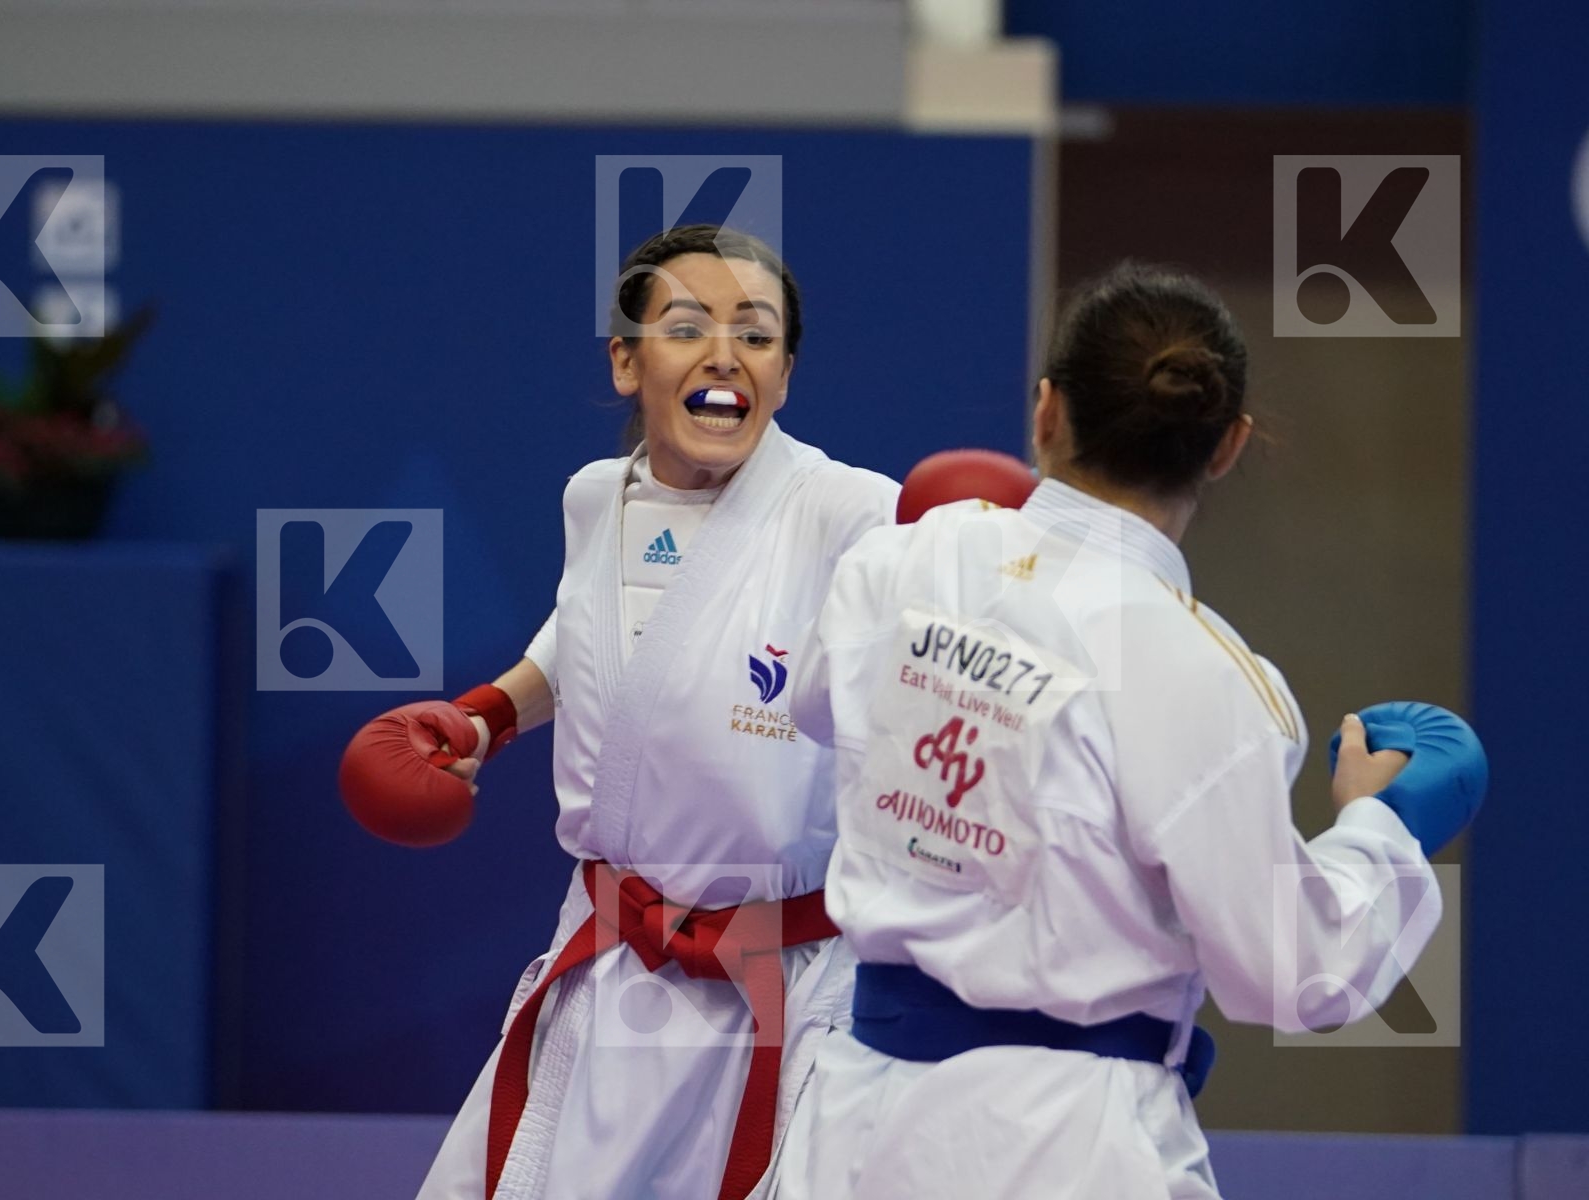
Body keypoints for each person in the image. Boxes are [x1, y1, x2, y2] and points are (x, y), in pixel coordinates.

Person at [773, 263, 1483, 1199]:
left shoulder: (908, 556)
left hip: (856, 1132)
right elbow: (1289, 971)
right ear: (1227, 447)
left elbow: (814, 706)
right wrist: (1385, 829)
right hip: (1070, 1144)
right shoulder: (1211, 680)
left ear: (1044, 412)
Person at [339, 224, 904, 1200]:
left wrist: (977, 543)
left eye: (757, 335)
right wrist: (486, 718)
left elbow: (947, 589)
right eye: (688, 326)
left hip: (779, 982)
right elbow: (588, 639)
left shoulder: (847, 513)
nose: (725, 354)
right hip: (610, 962)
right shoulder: (597, 499)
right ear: (625, 359)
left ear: (785, 372)